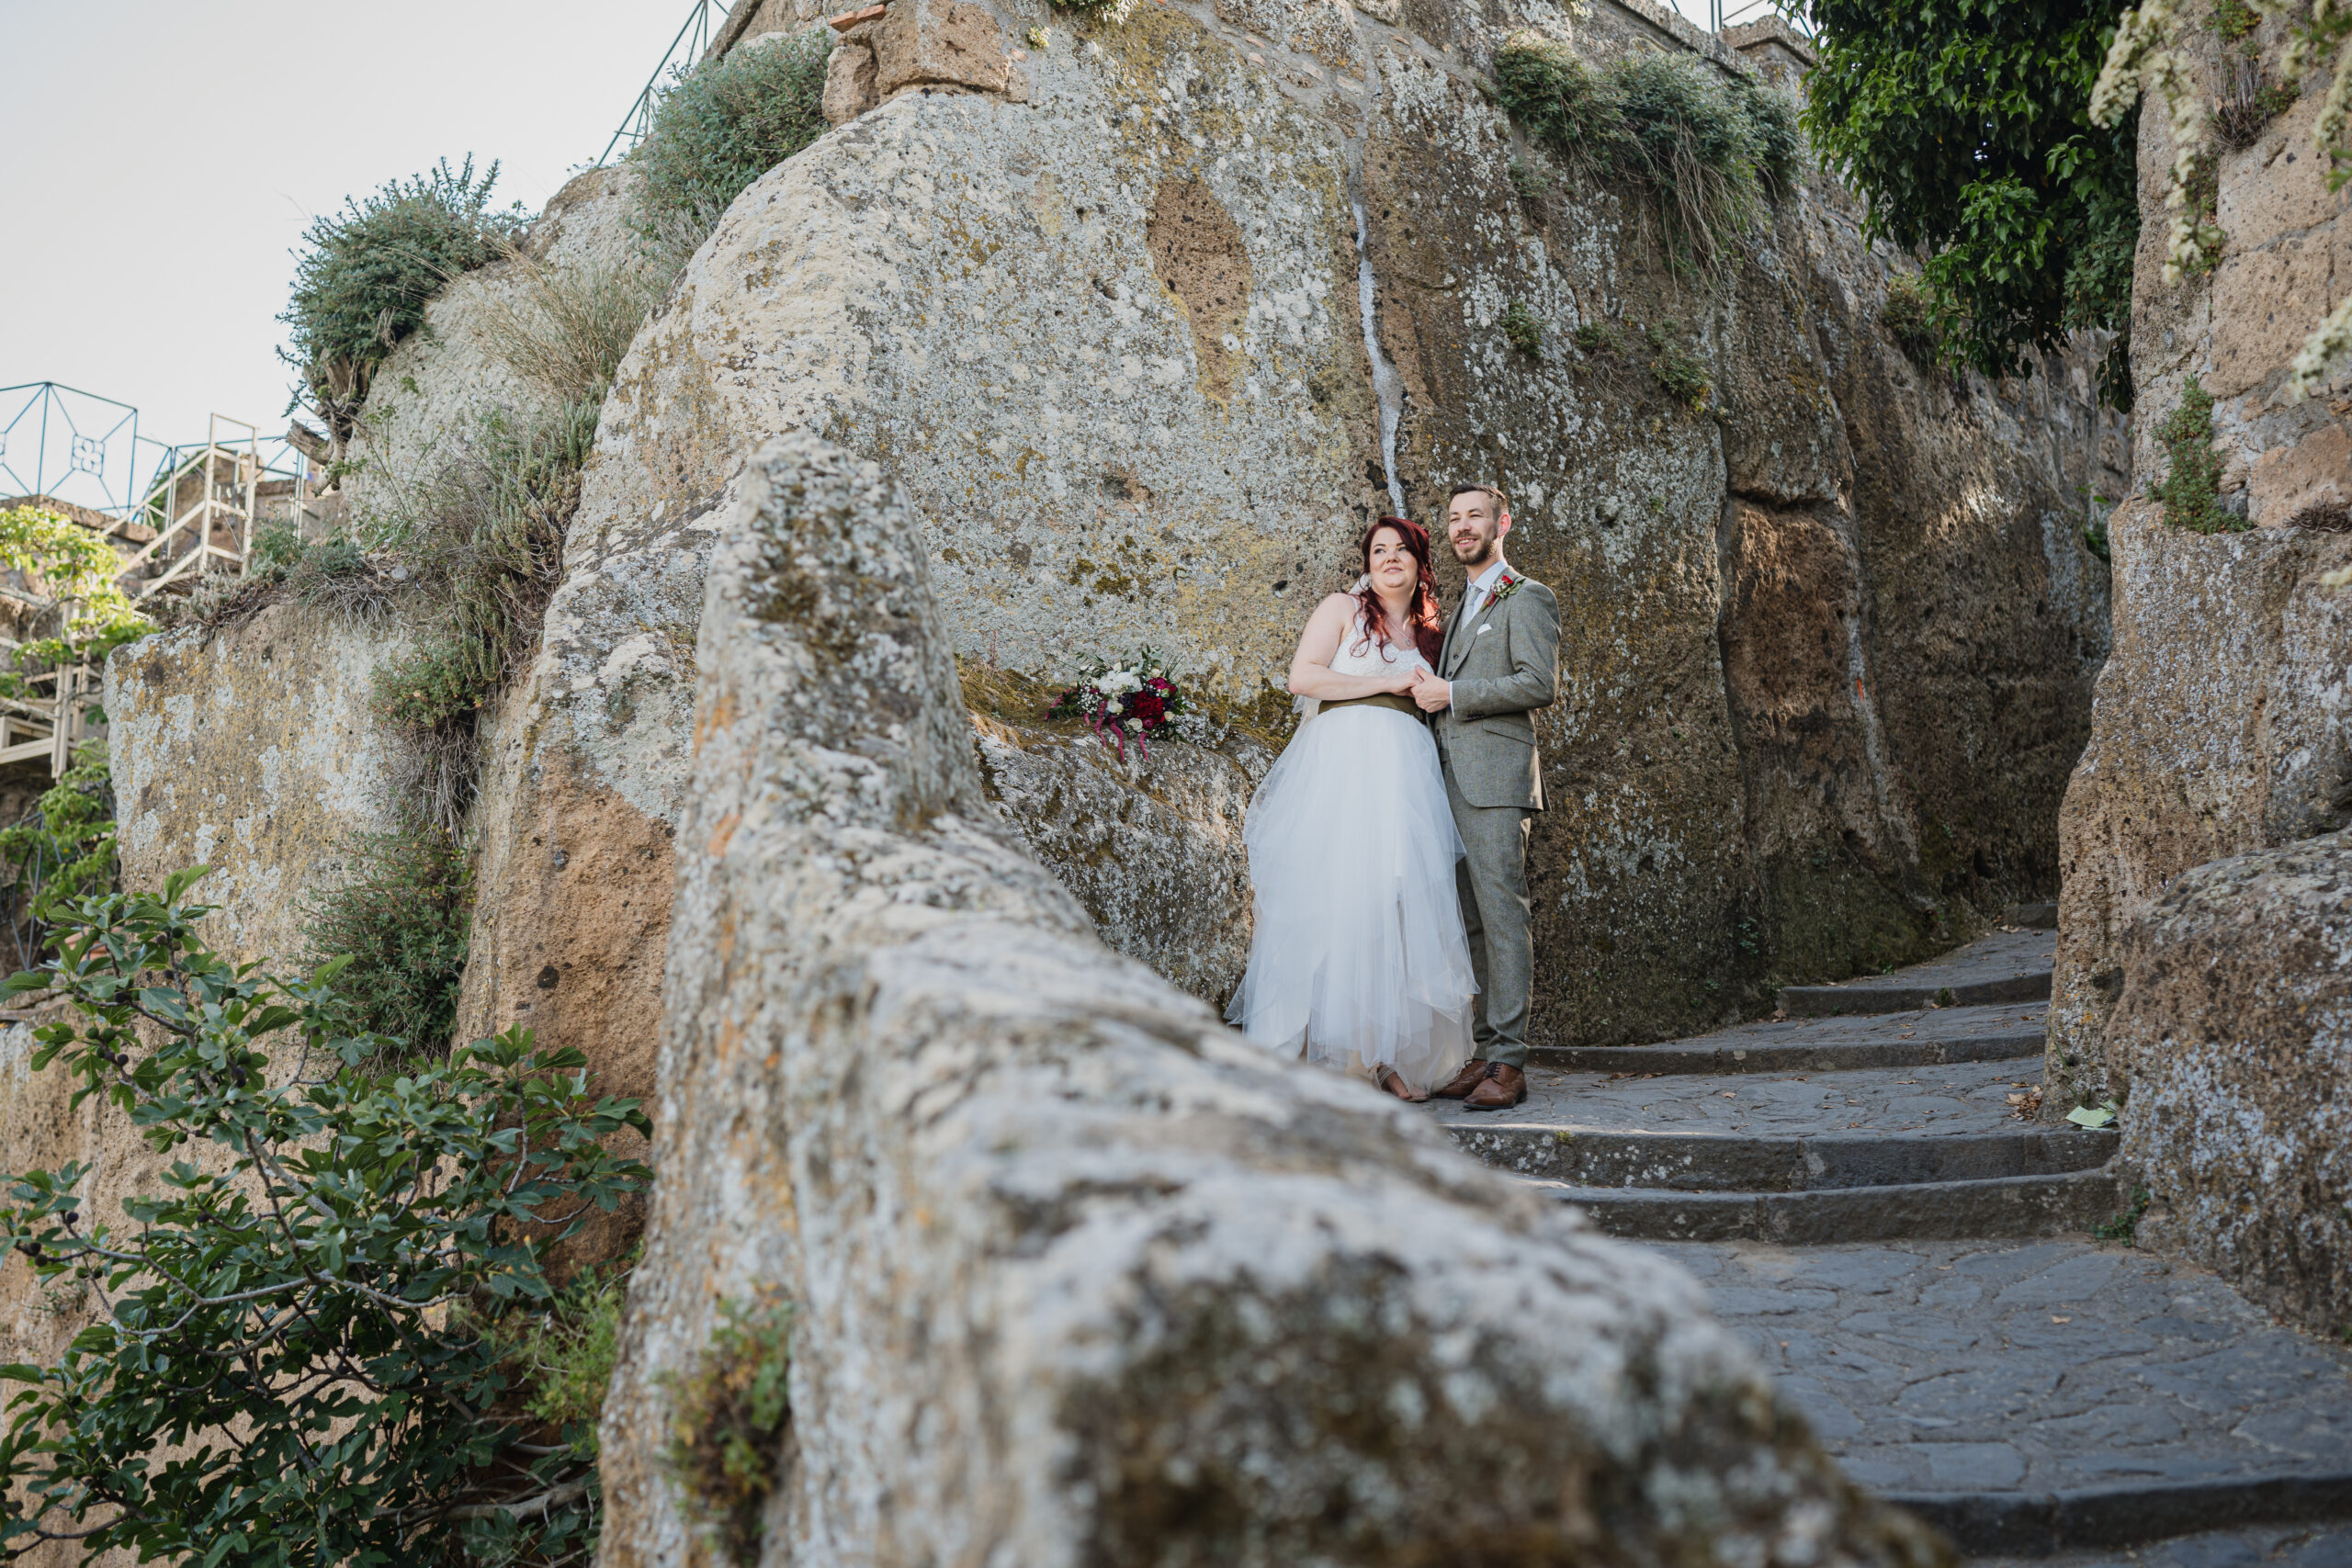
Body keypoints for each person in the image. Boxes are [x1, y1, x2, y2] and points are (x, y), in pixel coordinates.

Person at [1226, 516, 1478, 1100]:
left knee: (1394, 907)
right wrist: (1388, 681)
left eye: (1401, 550)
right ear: (1367, 563)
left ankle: (1378, 1056)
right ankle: (1323, 1055)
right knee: (1334, 901)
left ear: (1420, 563)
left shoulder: (1434, 634)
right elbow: (1303, 678)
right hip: (1342, 768)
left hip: (1405, 774)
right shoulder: (1342, 608)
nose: (1389, 558)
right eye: (1378, 550)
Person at [1409, 483, 1560, 1111]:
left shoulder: (1527, 596)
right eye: (1454, 518)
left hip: (1496, 780)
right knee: (1469, 921)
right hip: (1447, 780)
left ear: (1503, 523)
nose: (1463, 527)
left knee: (1502, 916)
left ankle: (1510, 1062)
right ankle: (1482, 1050)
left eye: (1475, 515)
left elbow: (1539, 683)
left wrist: (1453, 695)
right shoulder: (1460, 605)